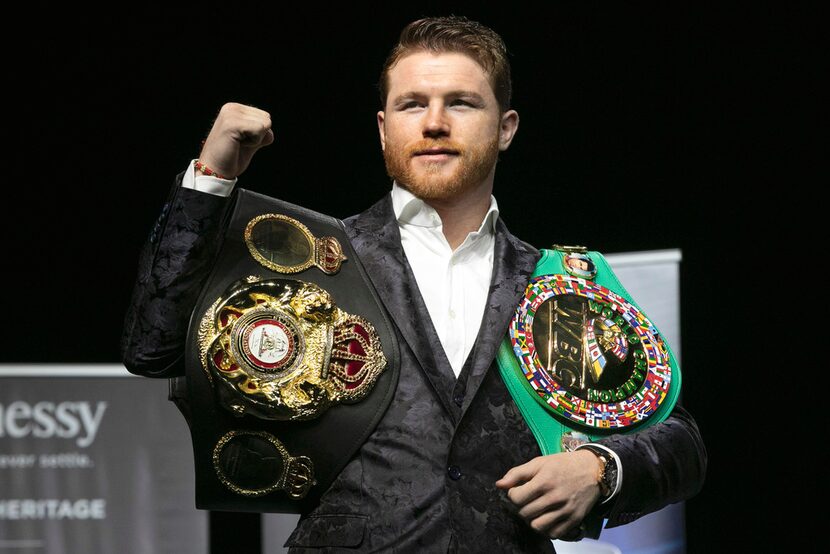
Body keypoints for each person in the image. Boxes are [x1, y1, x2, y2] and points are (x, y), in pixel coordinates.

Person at [121, 15, 706, 553]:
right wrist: (212, 179)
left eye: (461, 103)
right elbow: (154, 349)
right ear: (382, 128)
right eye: (411, 105)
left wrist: (602, 470)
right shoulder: (309, 260)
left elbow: (680, 440)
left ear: (505, 128)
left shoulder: (556, 282)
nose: (433, 123)